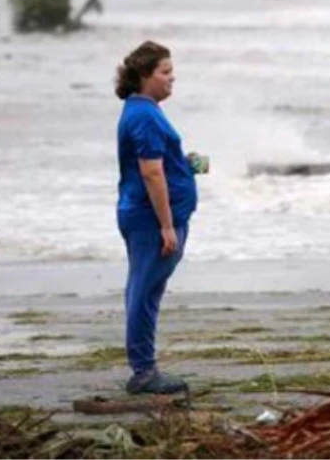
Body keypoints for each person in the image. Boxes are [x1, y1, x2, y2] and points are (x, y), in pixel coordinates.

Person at [114, 40, 201, 396]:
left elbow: (160, 163)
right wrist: (166, 226)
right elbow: (151, 173)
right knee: (144, 291)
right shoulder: (144, 116)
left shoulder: (144, 111)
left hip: (147, 216)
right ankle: (144, 371)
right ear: (144, 75)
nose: (172, 78)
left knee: (146, 289)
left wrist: (185, 164)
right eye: (165, 72)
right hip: (150, 220)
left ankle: (144, 367)